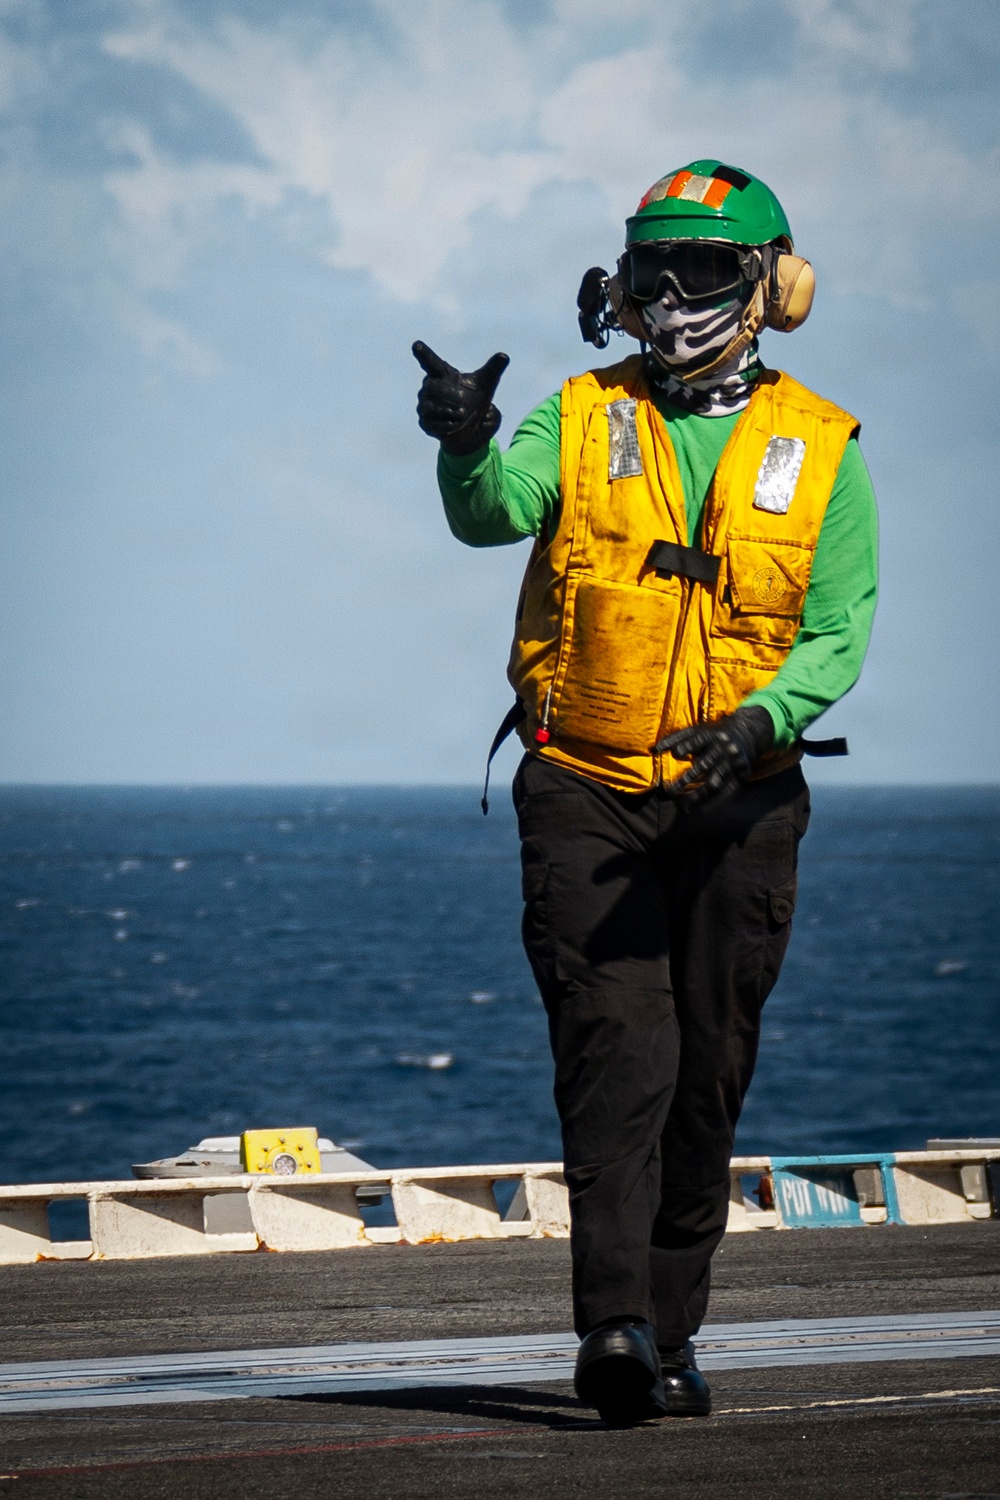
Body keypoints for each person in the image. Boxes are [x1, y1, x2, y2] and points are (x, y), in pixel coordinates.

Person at [412, 160, 878, 1427]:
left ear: (774, 286)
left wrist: (761, 723)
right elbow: (491, 515)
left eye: (706, 269)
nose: (669, 295)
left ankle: (670, 1334)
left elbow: (837, 634)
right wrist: (462, 439)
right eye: (650, 268)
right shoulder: (575, 413)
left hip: (744, 800)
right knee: (617, 1054)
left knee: (708, 1072)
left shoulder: (822, 446)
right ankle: (612, 1327)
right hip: (586, 788)